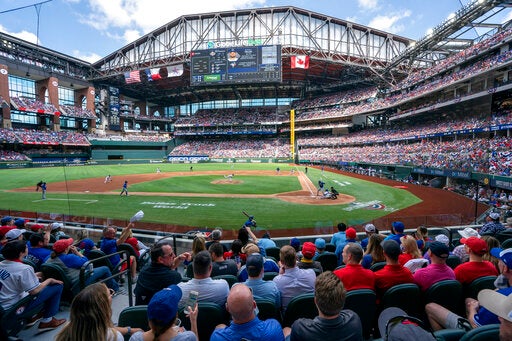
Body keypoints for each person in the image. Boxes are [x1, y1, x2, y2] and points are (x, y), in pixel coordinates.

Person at [425, 246, 512, 331]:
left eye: (499, 260)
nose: (497, 262)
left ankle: (447, 336)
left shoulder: (503, 297)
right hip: (497, 321)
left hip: (482, 332)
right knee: (469, 300)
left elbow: (476, 326)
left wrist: (472, 309)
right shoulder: (502, 287)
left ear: (505, 268)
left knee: (430, 307)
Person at [0, 240, 66, 331]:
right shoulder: (25, 269)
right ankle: (47, 321)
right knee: (57, 286)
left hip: (2, 304)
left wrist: (33, 275)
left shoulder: (1, 264)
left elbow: (11, 278)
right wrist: (49, 280)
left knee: (38, 281)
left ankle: (34, 316)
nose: (28, 248)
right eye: (26, 247)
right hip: (11, 309)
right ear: (21, 252)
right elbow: (34, 291)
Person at [283, 271, 363, 341]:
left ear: (315, 301)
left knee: (286, 330)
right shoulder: (354, 320)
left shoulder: (299, 328)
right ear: (343, 300)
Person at [56, 282, 141, 341]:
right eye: (110, 293)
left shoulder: (67, 330)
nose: (112, 294)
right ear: (103, 305)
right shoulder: (114, 337)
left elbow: (103, 328)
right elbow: (106, 331)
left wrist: (128, 330)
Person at [210, 284, 284, 341]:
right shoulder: (273, 327)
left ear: (227, 308)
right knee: (287, 329)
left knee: (220, 326)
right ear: (254, 305)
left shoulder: (217, 337)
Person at [44, 238, 119, 292]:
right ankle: (115, 289)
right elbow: (86, 262)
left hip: (65, 283)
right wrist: (77, 252)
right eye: (69, 245)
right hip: (79, 281)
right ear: (66, 249)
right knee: (105, 269)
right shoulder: (69, 257)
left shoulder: (48, 258)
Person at [130, 285, 198, 341]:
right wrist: (193, 320)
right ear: (175, 317)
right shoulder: (187, 338)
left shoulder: (136, 338)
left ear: (149, 318)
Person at [135, 240, 189, 305]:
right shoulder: (174, 277)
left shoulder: (143, 271)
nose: (174, 256)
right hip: (161, 313)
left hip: (139, 313)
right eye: (171, 254)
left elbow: (165, 268)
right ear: (160, 259)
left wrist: (179, 258)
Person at [273, 245, 315, 311]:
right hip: (310, 314)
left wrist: (280, 275)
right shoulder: (311, 273)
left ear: (281, 262)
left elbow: (277, 305)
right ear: (296, 258)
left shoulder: (276, 281)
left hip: (289, 319)